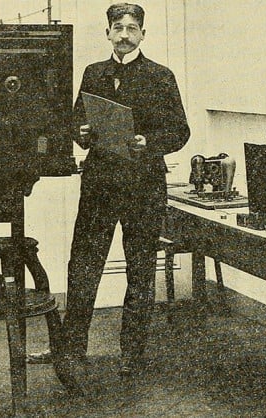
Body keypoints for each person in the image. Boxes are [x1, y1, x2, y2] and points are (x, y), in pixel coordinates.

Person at [28, 3, 190, 378]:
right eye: (118, 27)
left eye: (132, 28)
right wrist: (80, 132)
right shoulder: (94, 73)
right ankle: (71, 351)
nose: (124, 34)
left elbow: (180, 132)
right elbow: (75, 121)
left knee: (140, 269)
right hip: (100, 184)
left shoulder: (160, 76)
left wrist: (146, 141)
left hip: (144, 187)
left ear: (143, 35)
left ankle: (132, 355)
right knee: (83, 266)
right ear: (108, 33)